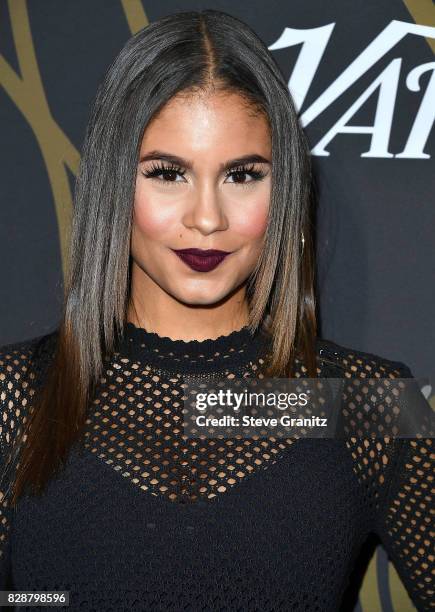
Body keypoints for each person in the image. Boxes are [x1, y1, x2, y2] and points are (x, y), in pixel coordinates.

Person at [0, 9, 432, 612]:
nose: (208, 219)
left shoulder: (364, 405)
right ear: (113, 182)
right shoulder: (15, 395)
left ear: (281, 188)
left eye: (242, 175)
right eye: (168, 173)